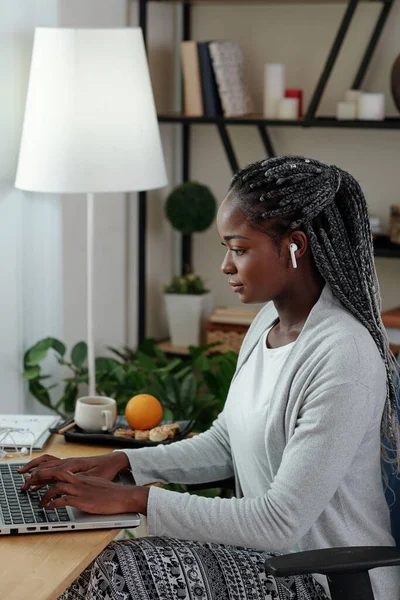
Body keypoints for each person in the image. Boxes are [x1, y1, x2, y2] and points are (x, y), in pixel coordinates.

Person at [20, 156, 400, 600]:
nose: (225, 265)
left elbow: (278, 522)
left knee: (108, 578)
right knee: (93, 565)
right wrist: (127, 465)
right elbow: (227, 442)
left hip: (322, 579)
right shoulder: (267, 325)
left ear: (295, 246)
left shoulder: (343, 355)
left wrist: (134, 498)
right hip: (272, 561)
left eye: (238, 249)